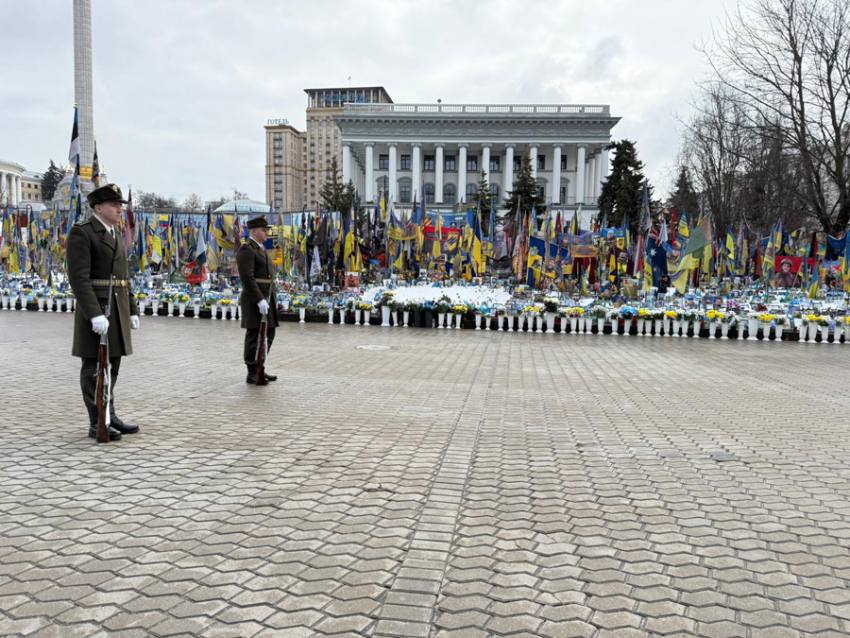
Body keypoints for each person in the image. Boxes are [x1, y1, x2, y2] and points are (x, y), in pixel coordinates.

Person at [67, 184, 140, 441]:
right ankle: (96, 420)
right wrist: (94, 313)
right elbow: (79, 278)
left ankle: (110, 413)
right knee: (94, 366)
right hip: (98, 309)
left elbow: (124, 277)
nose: (120, 209)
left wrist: (132, 308)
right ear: (98, 207)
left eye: (120, 205)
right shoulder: (83, 233)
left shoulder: (115, 234)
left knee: (114, 363)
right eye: (114, 204)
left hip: (117, 308)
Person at [237, 215, 280, 384]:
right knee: (254, 333)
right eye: (263, 230)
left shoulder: (261, 249)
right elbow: (247, 277)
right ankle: (251, 370)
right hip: (255, 299)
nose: (266, 233)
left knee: (269, 332)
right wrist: (259, 299)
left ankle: (261, 365)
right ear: (254, 231)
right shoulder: (247, 249)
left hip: (267, 297)